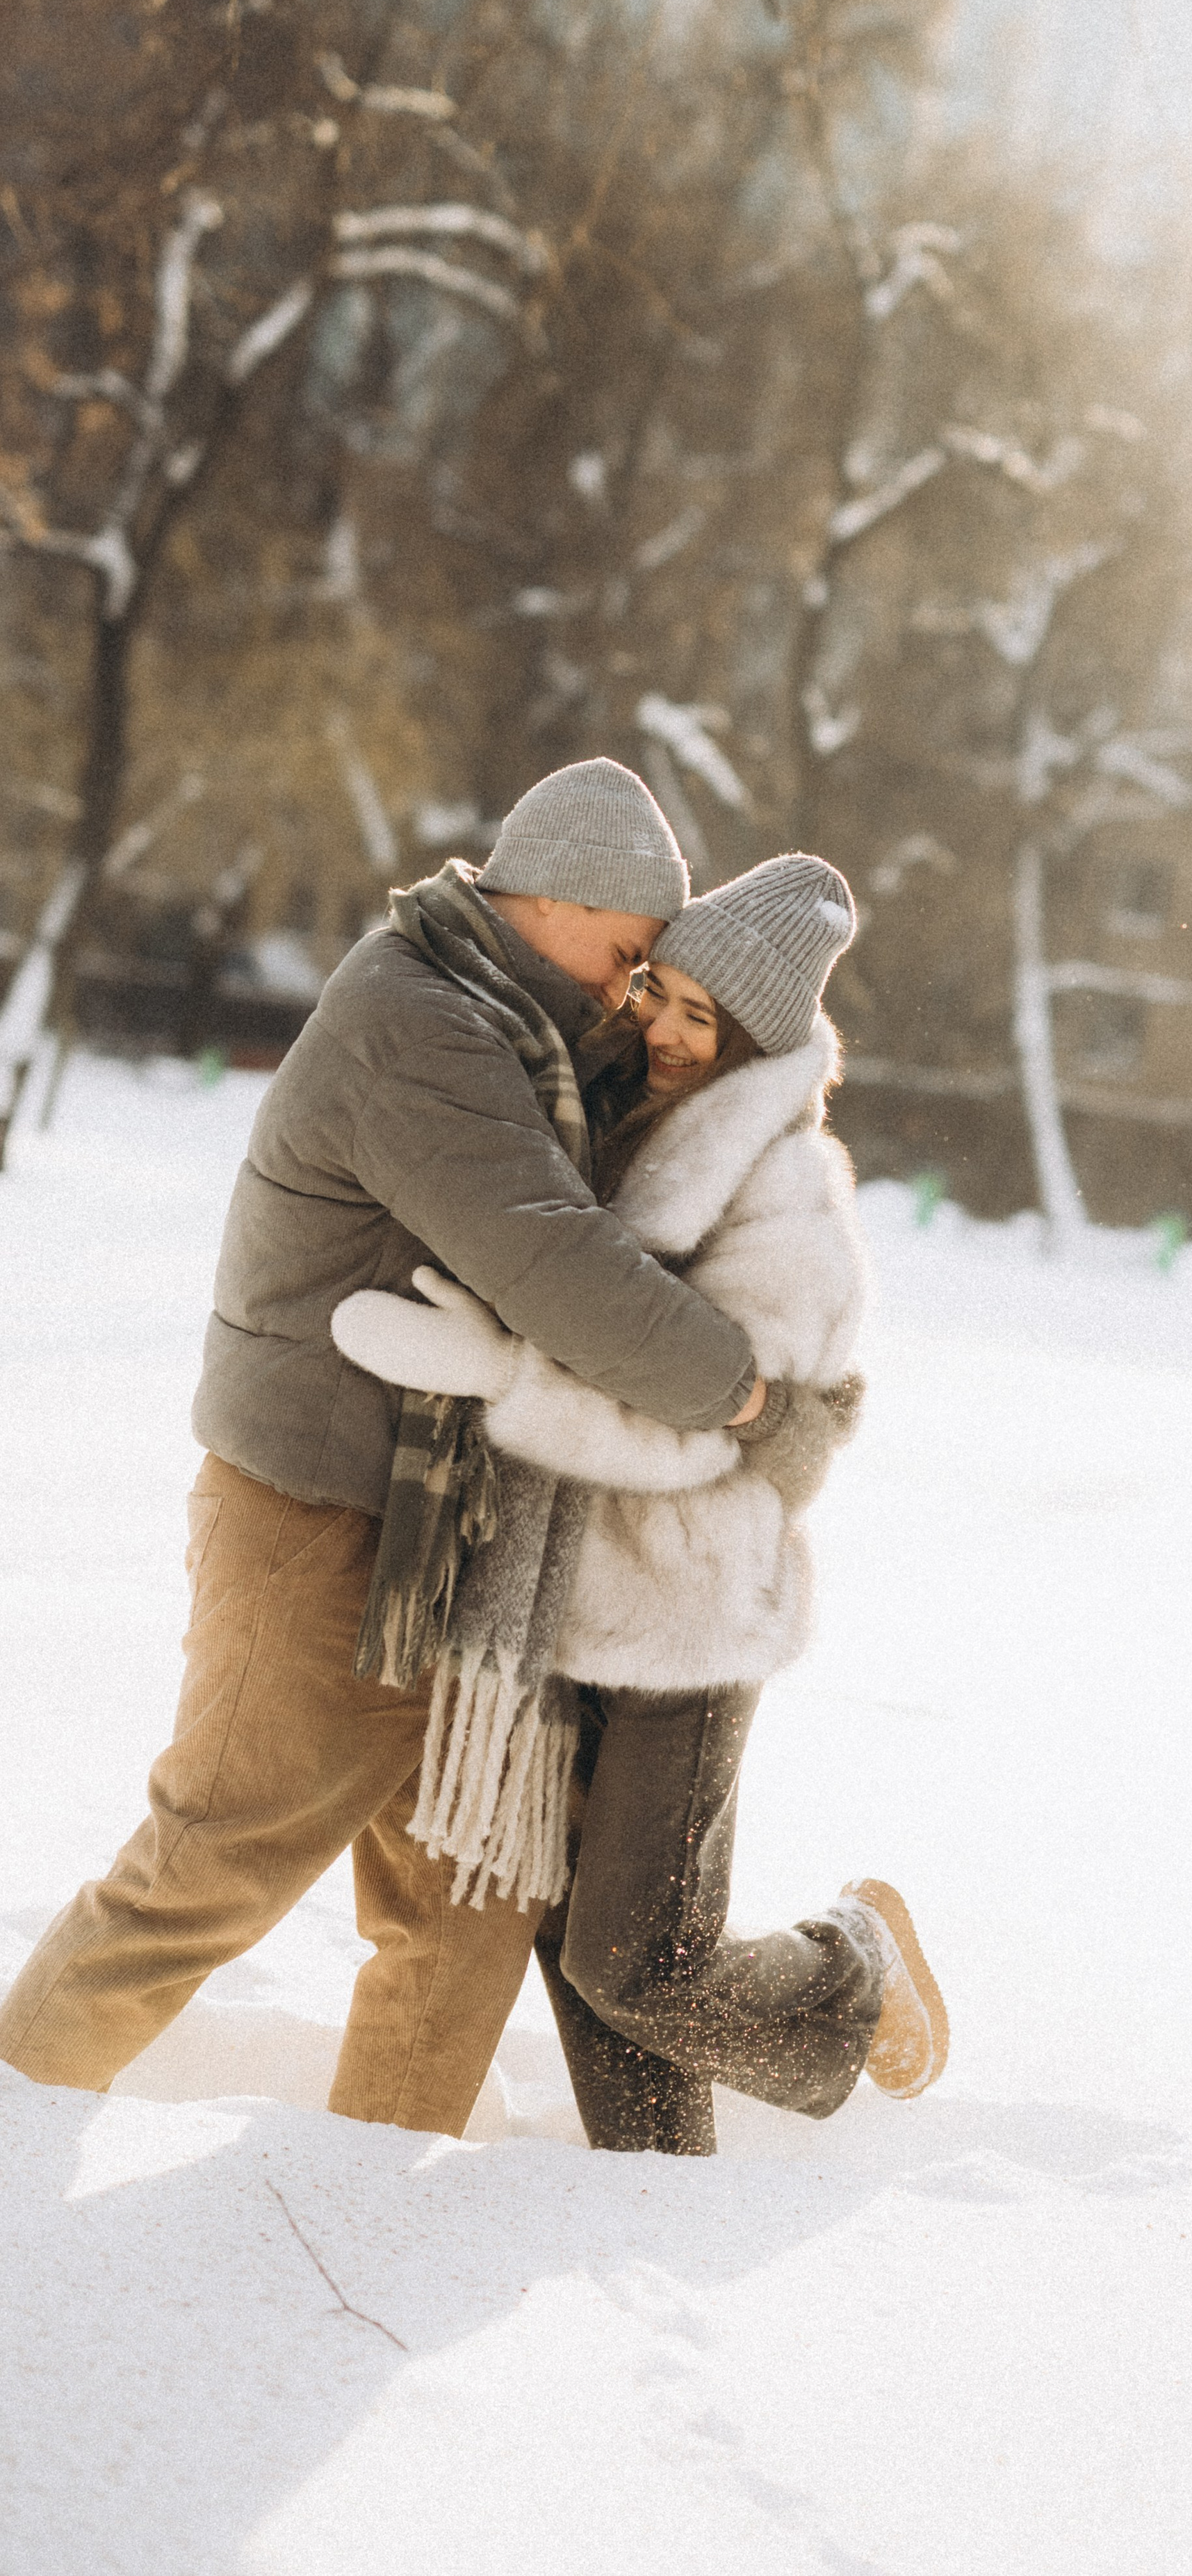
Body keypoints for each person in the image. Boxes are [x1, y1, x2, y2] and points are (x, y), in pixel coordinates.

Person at [0, 759, 772, 2138]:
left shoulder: (501, 1017)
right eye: (628, 951)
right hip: (314, 1520)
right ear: (561, 900)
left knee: (465, 1902)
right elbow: (554, 1262)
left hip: (429, 1542)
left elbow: (687, 1091)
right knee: (217, 1861)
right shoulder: (419, 1025)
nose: (631, 987)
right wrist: (738, 1387)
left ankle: (369, 2192)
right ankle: (17, 2111)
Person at [330, 853, 947, 2155]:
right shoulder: (610, 1116)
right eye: (660, 992)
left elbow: (719, 1429)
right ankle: (655, 2181)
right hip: (562, 1587)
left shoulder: (788, 1203)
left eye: (699, 1020)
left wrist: (505, 1378)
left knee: (637, 1959)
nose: (662, 1027)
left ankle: (857, 1969)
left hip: (688, 1610)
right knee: (579, 1933)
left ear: (754, 1044)